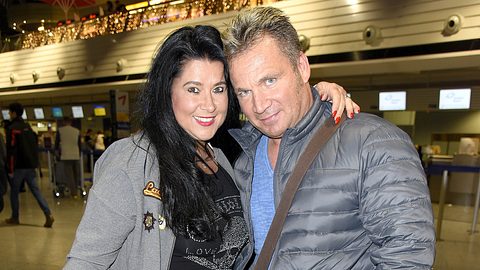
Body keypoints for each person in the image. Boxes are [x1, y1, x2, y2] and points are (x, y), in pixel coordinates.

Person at [64, 25, 357, 269]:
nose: (209, 104)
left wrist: (317, 94)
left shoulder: (225, 159)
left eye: (218, 89)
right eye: (193, 89)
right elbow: (84, 262)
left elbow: (281, 112)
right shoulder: (131, 162)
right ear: (168, 92)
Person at [223, 6, 435, 269]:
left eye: (269, 81)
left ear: (301, 67)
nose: (259, 104)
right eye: (244, 92)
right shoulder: (245, 158)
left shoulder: (374, 143)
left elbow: (407, 256)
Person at [4, 102, 54, 227]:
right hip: (30, 165)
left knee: (14, 192)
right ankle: (48, 213)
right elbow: (33, 147)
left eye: (10, 112)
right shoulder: (28, 128)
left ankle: (15, 217)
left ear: (14, 113)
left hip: (18, 166)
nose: (9, 114)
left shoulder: (12, 128)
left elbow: (11, 150)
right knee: (36, 191)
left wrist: (10, 168)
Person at [55, 117, 82, 198]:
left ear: (64, 122)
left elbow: (56, 144)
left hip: (66, 155)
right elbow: (79, 144)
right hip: (75, 154)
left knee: (69, 175)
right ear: (71, 122)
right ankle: (76, 190)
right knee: (76, 174)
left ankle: (73, 192)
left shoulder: (60, 130)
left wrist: (57, 153)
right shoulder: (76, 131)